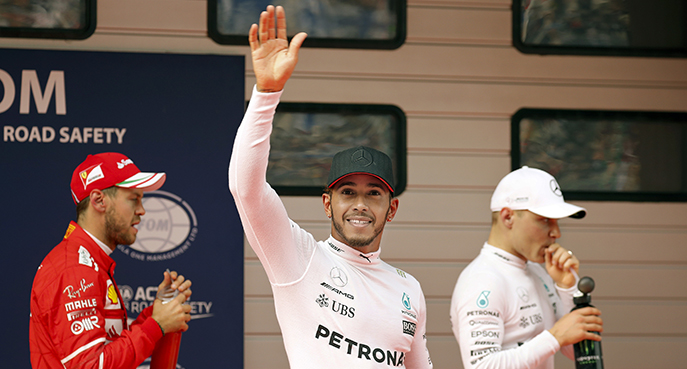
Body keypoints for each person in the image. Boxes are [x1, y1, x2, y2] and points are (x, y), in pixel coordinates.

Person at [228, 5, 432, 368]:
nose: (360, 204)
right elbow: (247, 190)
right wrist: (267, 92)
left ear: (392, 208)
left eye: (374, 193)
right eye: (348, 192)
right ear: (327, 203)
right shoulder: (300, 258)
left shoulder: (408, 289)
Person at [29, 152, 193, 369]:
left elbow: (110, 348)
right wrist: (157, 325)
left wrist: (157, 313)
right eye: (134, 199)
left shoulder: (88, 262)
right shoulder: (74, 269)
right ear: (99, 200)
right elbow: (91, 366)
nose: (142, 210)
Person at [450, 166, 604, 369]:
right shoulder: (482, 280)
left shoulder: (538, 271)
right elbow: (481, 366)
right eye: (545, 220)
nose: (556, 232)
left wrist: (567, 288)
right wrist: (554, 336)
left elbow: (574, 353)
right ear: (508, 217)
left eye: (556, 221)